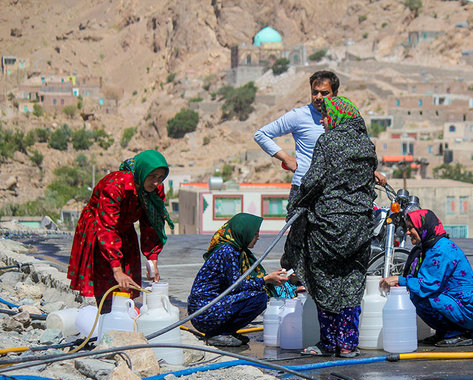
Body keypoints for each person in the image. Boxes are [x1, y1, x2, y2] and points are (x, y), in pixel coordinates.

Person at [282, 96, 377, 357]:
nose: (323, 122)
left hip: (328, 226)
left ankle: (329, 342)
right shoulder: (367, 145)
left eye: (325, 117)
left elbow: (313, 181)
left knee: (324, 281)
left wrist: (296, 205)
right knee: (352, 282)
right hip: (359, 227)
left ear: (336, 117)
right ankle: (348, 344)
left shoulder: (329, 141)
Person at [67, 150, 174, 312]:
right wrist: (116, 269)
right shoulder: (115, 186)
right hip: (100, 226)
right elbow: (107, 227)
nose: (156, 183)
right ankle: (106, 314)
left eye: (160, 178)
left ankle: (123, 312)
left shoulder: (154, 191)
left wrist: (152, 261)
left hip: (124, 228)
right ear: (142, 171)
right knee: (107, 275)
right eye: (152, 176)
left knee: (128, 277)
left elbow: (151, 224)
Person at [254, 70, 386, 200]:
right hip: (304, 187)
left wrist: (370, 172)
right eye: (314, 92)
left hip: (335, 190)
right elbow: (261, 135)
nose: (318, 97)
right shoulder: (299, 115)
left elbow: (348, 154)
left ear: (335, 94)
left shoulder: (343, 117)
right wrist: (287, 159)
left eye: (324, 93)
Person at [379, 210, 473, 347]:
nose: (407, 232)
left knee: (419, 297)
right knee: (416, 293)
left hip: (470, 308)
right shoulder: (429, 248)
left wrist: (400, 280)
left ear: (423, 227)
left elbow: (427, 286)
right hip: (460, 303)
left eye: (411, 228)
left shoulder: (440, 250)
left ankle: (456, 333)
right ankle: (444, 332)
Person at [187, 213, 290, 347]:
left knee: (257, 294)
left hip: (209, 309)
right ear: (244, 232)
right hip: (204, 312)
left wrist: (266, 279)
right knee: (258, 298)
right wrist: (266, 279)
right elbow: (236, 285)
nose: (258, 238)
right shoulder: (227, 251)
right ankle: (219, 334)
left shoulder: (236, 250)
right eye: (255, 234)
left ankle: (224, 332)